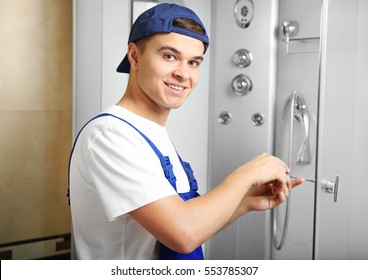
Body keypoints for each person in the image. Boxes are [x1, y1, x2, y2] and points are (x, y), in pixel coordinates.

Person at [68, 3, 304, 260]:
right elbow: (183, 234)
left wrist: (244, 201)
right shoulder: (109, 136)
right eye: (169, 56)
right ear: (135, 57)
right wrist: (246, 174)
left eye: (193, 62)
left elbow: (183, 225)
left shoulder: (148, 133)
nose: (183, 74)